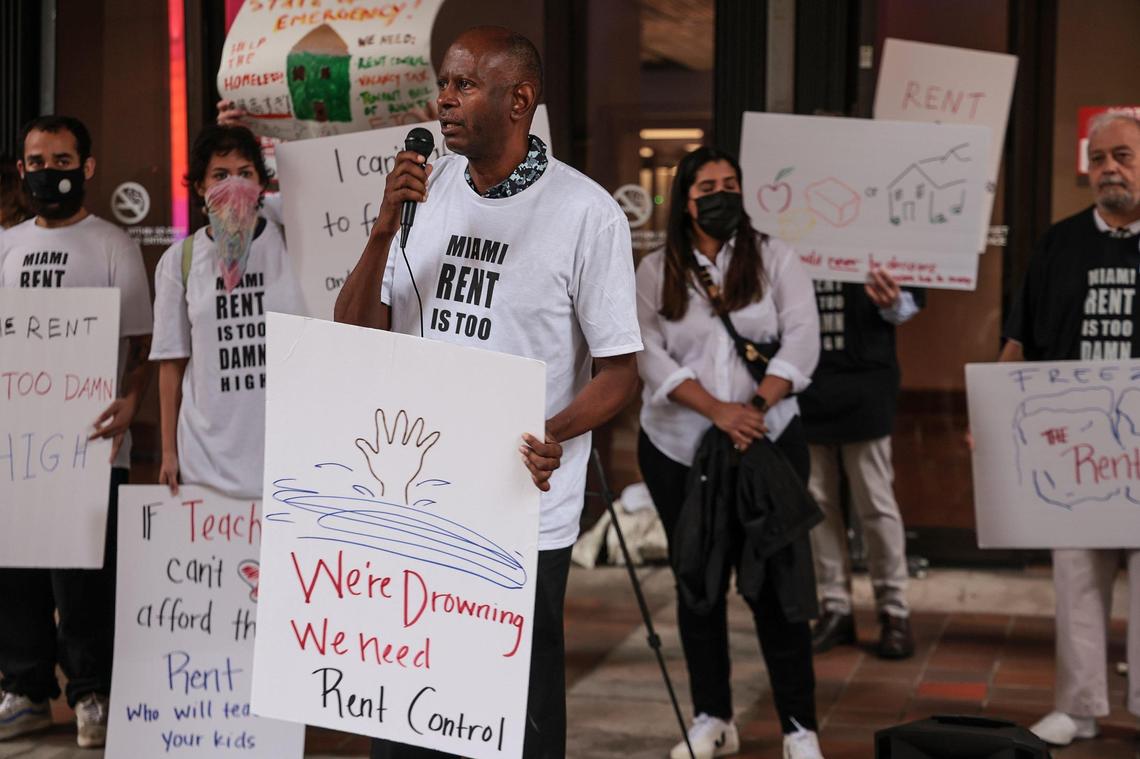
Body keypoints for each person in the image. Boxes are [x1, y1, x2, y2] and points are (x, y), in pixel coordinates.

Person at [334, 26, 642, 759]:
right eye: (444, 81)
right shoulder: (425, 192)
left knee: (507, 722)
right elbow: (353, 331)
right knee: (406, 712)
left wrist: (554, 431)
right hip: (413, 497)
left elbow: (621, 373)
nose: (443, 98)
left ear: (519, 100)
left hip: (517, 509)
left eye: (465, 84)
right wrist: (383, 226)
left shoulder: (585, 213)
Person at [636, 146, 825, 759]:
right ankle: (711, 717)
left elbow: (803, 338)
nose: (721, 194)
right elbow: (645, 352)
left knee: (776, 585)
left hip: (767, 442)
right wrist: (718, 411)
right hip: (678, 448)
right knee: (699, 582)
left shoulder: (776, 258)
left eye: (731, 184)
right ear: (685, 200)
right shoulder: (655, 270)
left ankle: (800, 728)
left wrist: (755, 410)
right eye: (707, 186)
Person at [0, 115, 153, 748]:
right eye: (37, 161)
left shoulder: (112, 244)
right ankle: (25, 689)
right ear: (21, 169)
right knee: (16, 569)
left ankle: (93, 693)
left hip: (93, 443)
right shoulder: (5, 246)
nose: (48, 173)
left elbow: (143, 342)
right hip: (16, 445)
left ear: (86, 167)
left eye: (62, 160)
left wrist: (129, 399)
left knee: (85, 575)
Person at [998, 112, 1140, 747]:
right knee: (1076, 578)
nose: (1111, 168)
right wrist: (995, 418)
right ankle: (1077, 707)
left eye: (1126, 156)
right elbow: (1018, 339)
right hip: (1073, 451)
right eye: (1100, 157)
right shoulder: (1057, 244)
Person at [150, 124, 305, 500]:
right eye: (220, 175)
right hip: (205, 462)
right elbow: (171, 363)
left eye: (244, 173)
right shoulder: (179, 262)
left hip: (288, 455)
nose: (233, 184)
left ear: (261, 183)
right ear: (200, 186)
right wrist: (169, 453)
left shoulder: (292, 240)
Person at [800, 271, 923, 659]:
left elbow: (912, 299)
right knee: (817, 503)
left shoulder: (878, 222)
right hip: (804, 382)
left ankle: (894, 609)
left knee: (875, 502)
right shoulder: (787, 225)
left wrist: (892, 302)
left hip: (867, 380)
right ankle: (835, 606)